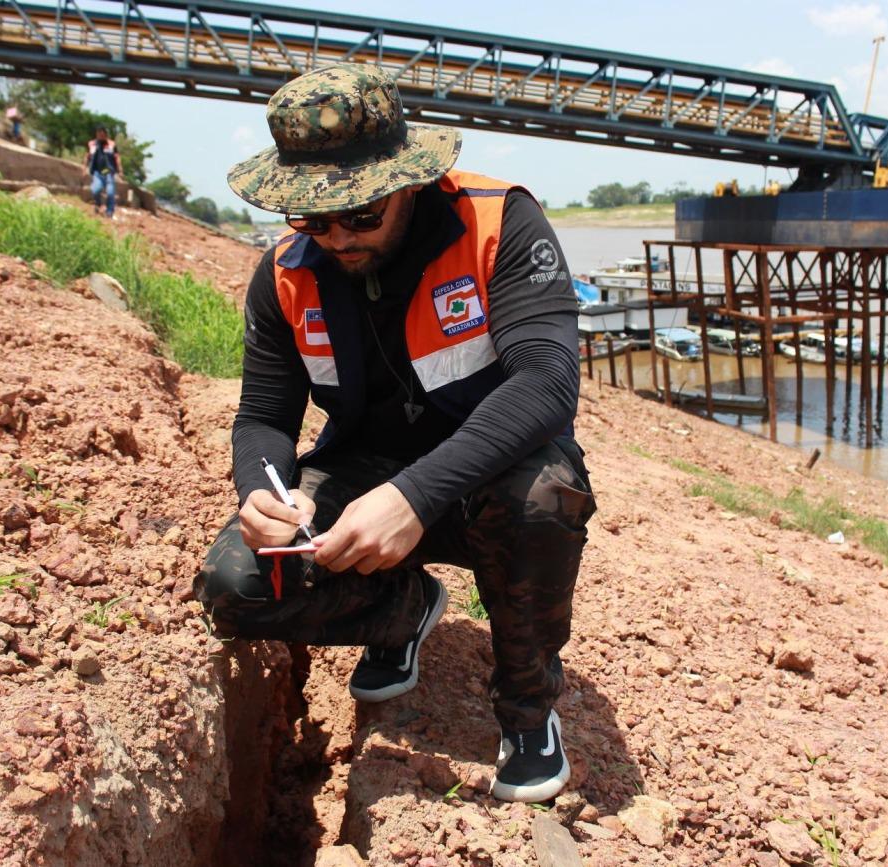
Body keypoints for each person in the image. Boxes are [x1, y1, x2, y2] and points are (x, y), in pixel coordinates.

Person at [194, 63, 595, 803]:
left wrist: (413, 496)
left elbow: (547, 382)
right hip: (362, 474)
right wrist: (262, 490)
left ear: (407, 182)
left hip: (490, 475)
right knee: (233, 585)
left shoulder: (498, 223)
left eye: (361, 214)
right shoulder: (284, 273)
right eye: (315, 218)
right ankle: (404, 612)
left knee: (546, 497)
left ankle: (527, 706)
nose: (339, 237)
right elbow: (263, 415)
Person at [83, 126, 122, 219]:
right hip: (97, 172)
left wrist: (120, 170)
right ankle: (98, 203)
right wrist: (84, 168)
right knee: (95, 190)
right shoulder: (92, 144)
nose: (101, 136)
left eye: (103, 134)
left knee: (110, 192)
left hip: (108, 171)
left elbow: (117, 157)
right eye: (99, 134)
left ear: (106, 135)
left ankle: (109, 211)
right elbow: (87, 156)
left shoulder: (111, 144)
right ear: (97, 134)